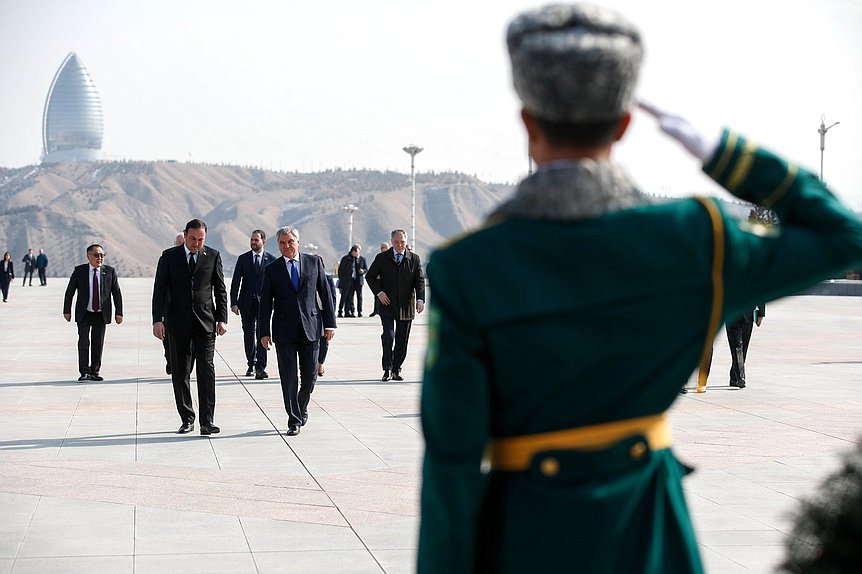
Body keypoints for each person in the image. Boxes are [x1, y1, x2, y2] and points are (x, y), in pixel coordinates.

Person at [417, 4, 862, 574]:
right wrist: (725, 153)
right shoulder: (695, 239)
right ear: (625, 123)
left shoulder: (468, 266)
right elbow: (844, 236)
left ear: (528, 122)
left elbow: (450, 463)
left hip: (526, 538)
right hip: (649, 534)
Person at [152, 219, 228, 436]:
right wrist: (158, 320)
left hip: (205, 323)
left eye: (201, 239)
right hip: (177, 323)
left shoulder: (212, 256)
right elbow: (159, 290)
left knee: (207, 371)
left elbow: (220, 289)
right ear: (185, 236)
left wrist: (221, 318)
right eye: (193, 239)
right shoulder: (169, 257)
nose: (196, 243)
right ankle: (187, 418)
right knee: (181, 372)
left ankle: (207, 421)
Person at [259, 227, 336, 436]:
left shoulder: (314, 262)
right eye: (282, 243)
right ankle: (293, 419)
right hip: (284, 331)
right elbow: (265, 303)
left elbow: (325, 294)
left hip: (311, 328)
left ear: (298, 242)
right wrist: (263, 332)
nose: (287, 246)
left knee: (310, 375)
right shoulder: (272, 269)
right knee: (289, 377)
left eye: (290, 242)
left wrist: (330, 324)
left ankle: (301, 407)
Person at [366, 229, 425, 382]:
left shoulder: (414, 259)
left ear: (407, 242)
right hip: (387, 304)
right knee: (388, 336)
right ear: (391, 242)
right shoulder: (382, 258)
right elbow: (370, 276)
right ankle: (387, 368)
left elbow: (419, 281)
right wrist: (379, 292)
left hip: (406, 306)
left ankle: (396, 368)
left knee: (402, 339)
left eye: (402, 242)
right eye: (397, 242)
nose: (400, 245)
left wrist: (420, 299)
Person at [63, 244, 123, 381]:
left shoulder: (109, 271)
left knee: (98, 343)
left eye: (102, 255)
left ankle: (95, 371)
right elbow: (70, 291)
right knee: (83, 342)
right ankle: (84, 371)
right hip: (84, 313)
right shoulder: (80, 271)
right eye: (96, 255)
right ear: (88, 256)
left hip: (101, 314)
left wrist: (119, 312)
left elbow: (117, 293)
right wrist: (67, 310)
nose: (99, 258)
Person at [689, 304, 765, 393]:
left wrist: (761, 313)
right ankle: (740, 377)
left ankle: (734, 377)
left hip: (747, 312)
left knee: (744, 345)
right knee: (736, 344)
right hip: (728, 312)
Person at [230, 229, 276, 379]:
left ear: (263, 241)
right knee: (249, 334)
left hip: (265, 303)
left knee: (262, 334)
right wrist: (234, 302)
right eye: (251, 240)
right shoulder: (243, 259)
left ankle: (261, 367)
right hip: (246, 303)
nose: (253, 242)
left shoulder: (272, 260)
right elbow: (236, 281)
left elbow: (276, 284)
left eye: (256, 240)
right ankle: (251, 362)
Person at [162, 232, 186, 375]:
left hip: (188, 310)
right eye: (179, 244)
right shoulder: (168, 258)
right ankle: (171, 361)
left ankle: (183, 365)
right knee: (168, 340)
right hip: (169, 308)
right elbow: (160, 287)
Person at [316, 256, 337, 377]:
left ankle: (320, 363)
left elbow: (332, 299)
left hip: (324, 314)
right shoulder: (307, 277)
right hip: (311, 314)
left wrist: (331, 319)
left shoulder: (328, 279)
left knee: (324, 340)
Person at [337, 244, 365, 318]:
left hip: (353, 281)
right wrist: (342, 279)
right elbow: (340, 270)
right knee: (344, 296)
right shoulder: (346, 259)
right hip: (346, 281)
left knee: (350, 297)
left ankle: (349, 312)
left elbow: (362, 268)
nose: (358, 254)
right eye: (357, 252)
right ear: (353, 251)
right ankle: (340, 311)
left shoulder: (356, 259)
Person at [368, 242, 390, 318]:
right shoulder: (379, 257)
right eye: (382, 248)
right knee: (377, 296)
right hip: (378, 280)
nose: (383, 249)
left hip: (387, 282)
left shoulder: (390, 257)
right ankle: (376, 310)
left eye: (384, 247)